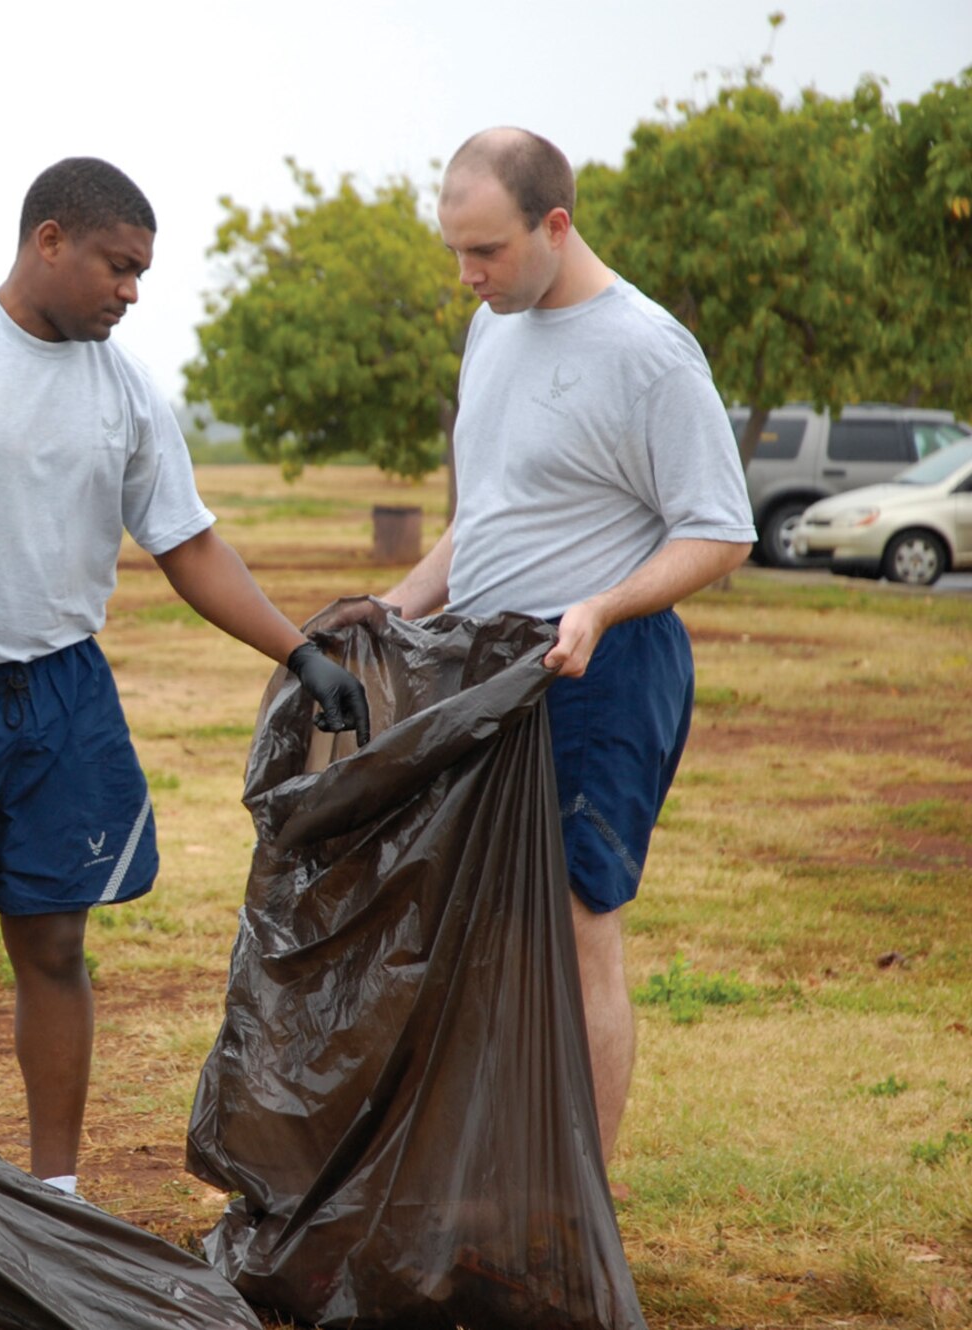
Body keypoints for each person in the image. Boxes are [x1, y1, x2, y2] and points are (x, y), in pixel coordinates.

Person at [0, 157, 369, 1319]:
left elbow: (186, 545)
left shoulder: (121, 391)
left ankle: (53, 1192)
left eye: (140, 274)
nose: (130, 292)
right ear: (49, 239)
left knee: (54, 946)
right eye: (118, 267)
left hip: (60, 692)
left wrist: (295, 647)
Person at [375, 128, 755, 1168]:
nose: (467, 276)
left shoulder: (645, 350)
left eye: (486, 251)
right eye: (455, 250)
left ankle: (568, 1210)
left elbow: (719, 530)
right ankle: (492, 1173)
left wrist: (598, 604)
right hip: (486, 671)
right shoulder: (491, 329)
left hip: (600, 670)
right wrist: (396, 603)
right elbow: (492, 511)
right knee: (483, 928)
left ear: (555, 225)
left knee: (577, 928)